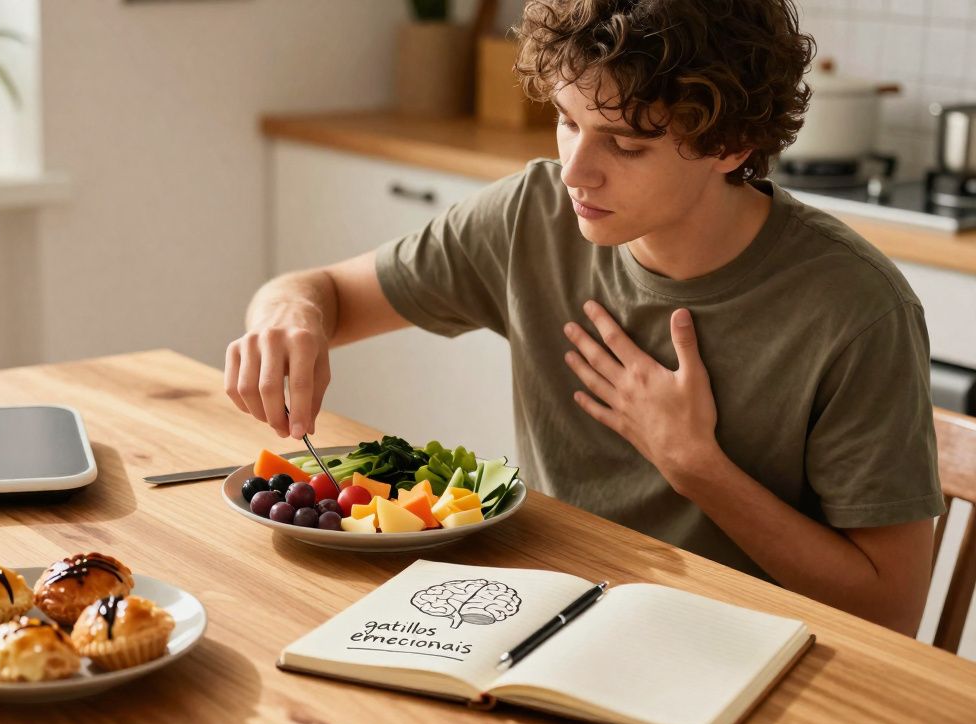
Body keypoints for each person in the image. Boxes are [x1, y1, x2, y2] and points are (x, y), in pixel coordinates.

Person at [223, 0, 944, 635]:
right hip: (546, 617)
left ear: (731, 145)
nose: (575, 170)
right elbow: (323, 291)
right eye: (567, 122)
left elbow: (890, 612)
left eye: (625, 145)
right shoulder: (531, 216)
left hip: (756, 659)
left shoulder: (856, 309)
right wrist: (290, 317)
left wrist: (696, 465)